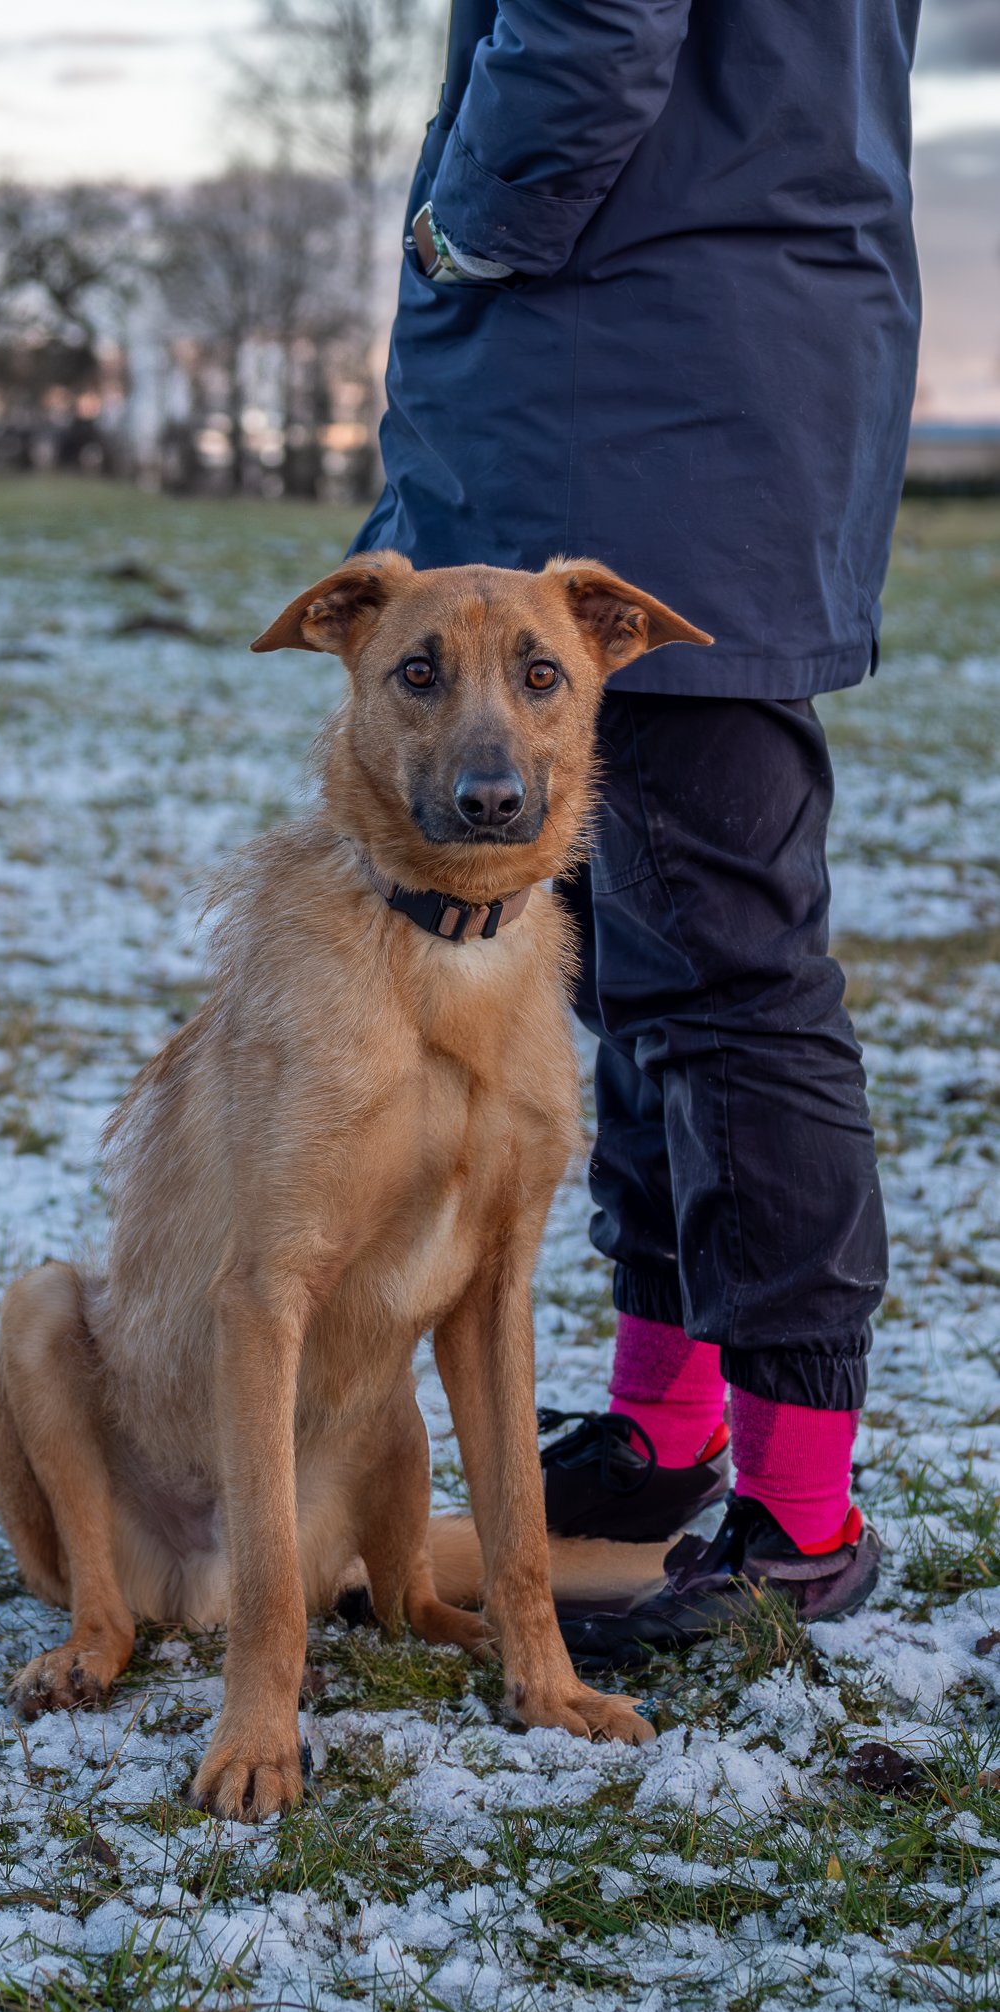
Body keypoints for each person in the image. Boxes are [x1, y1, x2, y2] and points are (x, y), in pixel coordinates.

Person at [351, 0, 921, 1655]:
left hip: (626, 390)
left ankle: (800, 1516)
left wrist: (461, 222)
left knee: (724, 983)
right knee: (637, 970)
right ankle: (666, 1431)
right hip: (708, 375)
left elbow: (593, 24)